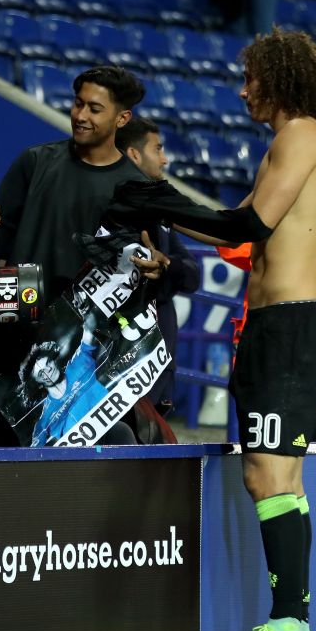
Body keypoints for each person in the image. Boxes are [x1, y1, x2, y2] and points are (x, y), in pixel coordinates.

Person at [110, 28, 316, 631]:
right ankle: (294, 623)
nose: (242, 93)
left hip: (287, 329)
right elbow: (234, 238)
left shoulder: (301, 135)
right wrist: (163, 210)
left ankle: (289, 624)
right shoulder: (291, 143)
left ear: (279, 78)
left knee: (267, 475)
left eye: (251, 80)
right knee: (283, 479)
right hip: (280, 329)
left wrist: (161, 200)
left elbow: (248, 224)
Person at [0, 65, 162, 446]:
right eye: (78, 104)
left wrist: (156, 273)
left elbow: (138, 282)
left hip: (82, 364)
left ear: (122, 118)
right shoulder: (34, 162)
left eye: (94, 108)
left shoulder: (138, 188)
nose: (81, 116)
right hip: (11, 347)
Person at [219, 117, 316, 441]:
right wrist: (271, 182)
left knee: (307, 481)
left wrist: (272, 235)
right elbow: (231, 244)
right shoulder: (279, 189)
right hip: (264, 363)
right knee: (259, 479)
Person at [115, 117, 201, 416]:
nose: (165, 159)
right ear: (134, 154)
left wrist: (167, 267)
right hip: (123, 376)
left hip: (159, 378)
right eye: (158, 149)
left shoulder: (161, 212)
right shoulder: (112, 211)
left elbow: (192, 275)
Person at [19, 312, 110, 446]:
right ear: (37, 384)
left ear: (54, 361)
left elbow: (89, 328)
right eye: (40, 374)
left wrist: (87, 312)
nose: (47, 371)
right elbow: (35, 455)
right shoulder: (44, 421)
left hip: (118, 427)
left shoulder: (79, 362)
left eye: (48, 363)